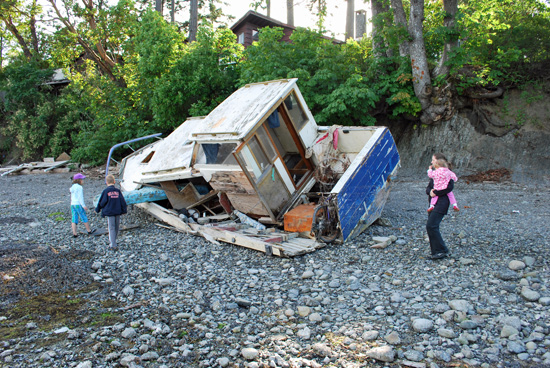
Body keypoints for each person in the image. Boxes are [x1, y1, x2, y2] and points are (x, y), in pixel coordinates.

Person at [426, 153, 455, 260]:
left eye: (433, 160)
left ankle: (441, 250)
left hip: (442, 203)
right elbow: (428, 189)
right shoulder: (435, 174)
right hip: (433, 204)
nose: (431, 162)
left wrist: (436, 193)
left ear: (438, 162)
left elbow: (449, 187)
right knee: (431, 226)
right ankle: (437, 251)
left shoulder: (447, 174)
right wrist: (430, 192)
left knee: (431, 226)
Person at [95, 174, 127, 249]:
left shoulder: (106, 191)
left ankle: (113, 244)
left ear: (106, 182)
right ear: (114, 181)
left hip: (110, 212)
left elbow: (102, 202)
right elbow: (122, 201)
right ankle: (114, 240)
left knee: (111, 227)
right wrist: (124, 210)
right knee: (116, 227)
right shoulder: (118, 191)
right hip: (117, 211)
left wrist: (98, 209)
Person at [70, 173, 95, 237]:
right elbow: (80, 197)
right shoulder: (79, 187)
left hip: (72, 204)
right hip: (78, 204)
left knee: (74, 218)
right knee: (83, 216)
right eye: (82, 179)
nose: (83, 181)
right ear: (79, 180)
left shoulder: (72, 187)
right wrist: (83, 205)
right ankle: (89, 230)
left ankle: (74, 233)